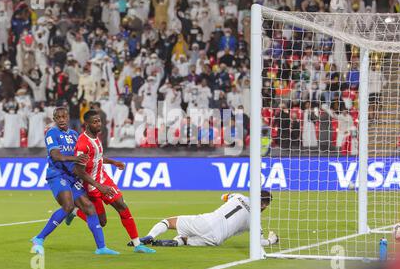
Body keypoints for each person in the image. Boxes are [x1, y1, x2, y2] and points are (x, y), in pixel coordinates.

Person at [31, 107, 119, 256]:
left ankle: (101, 248)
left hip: (72, 177)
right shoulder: (51, 133)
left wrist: (111, 162)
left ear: (68, 117)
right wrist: (75, 159)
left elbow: (89, 156)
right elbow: (56, 156)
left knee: (89, 207)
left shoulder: (74, 135)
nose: (61, 120)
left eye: (63, 116)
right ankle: (38, 239)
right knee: (68, 205)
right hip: (57, 175)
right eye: (57, 117)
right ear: (54, 119)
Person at [66, 110, 156, 254]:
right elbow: (78, 171)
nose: (98, 124)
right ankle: (75, 211)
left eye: (99, 121)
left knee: (122, 206)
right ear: (87, 124)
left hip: (104, 179)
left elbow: (98, 157)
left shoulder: (96, 138)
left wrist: (113, 162)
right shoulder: (83, 144)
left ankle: (137, 244)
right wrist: (99, 186)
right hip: (92, 186)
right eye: (95, 122)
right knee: (101, 222)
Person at [135, 190, 279, 247]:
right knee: (185, 240)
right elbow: (260, 242)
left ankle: (150, 236)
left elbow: (223, 196)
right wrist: (273, 239)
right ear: (265, 206)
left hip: (207, 222)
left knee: (169, 221)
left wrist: (228, 199)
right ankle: (175, 242)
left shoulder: (239, 196)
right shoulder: (255, 221)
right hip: (216, 239)